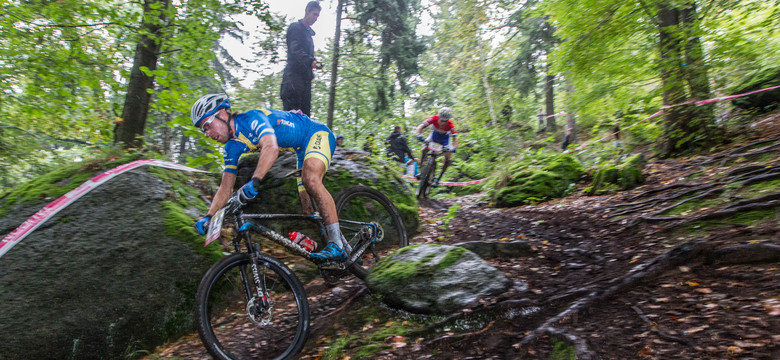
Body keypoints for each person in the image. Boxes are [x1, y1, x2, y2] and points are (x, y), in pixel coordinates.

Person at [190, 94, 350, 261]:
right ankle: (348, 251)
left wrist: (255, 181)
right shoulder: (232, 147)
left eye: (207, 126)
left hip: (316, 133)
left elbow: (271, 147)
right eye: (203, 130)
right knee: (308, 209)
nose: (207, 134)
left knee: (311, 180)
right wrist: (208, 216)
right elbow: (225, 187)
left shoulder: (251, 119)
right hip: (300, 149)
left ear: (222, 113)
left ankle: (337, 245)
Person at [280, 1, 322, 116]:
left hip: (305, 82)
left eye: (318, 16)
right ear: (307, 11)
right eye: (314, 14)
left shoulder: (309, 35)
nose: (316, 18)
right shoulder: (295, 28)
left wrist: (312, 63)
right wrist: (311, 62)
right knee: (292, 119)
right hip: (292, 81)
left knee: (305, 119)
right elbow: (295, 50)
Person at [415, 107, 458, 186]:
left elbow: (455, 138)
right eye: (442, 120)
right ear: (439, 117)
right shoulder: (433, 118)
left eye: (445, 121)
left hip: (445, 140)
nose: (443, 123)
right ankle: (421, 171)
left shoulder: (451, 125)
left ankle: (438, 178)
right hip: (433, 137)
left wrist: (454, 148)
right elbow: (420, 127)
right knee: (424, 149)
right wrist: (418, 135)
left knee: (448, 158)